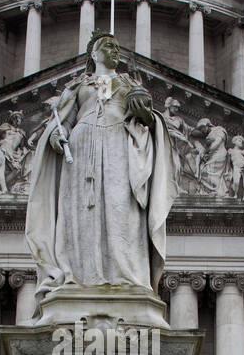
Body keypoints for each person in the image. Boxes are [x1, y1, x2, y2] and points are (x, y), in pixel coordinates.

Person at [25, 32, 176, 297]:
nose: (115, 49)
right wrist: (56, 137)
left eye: (117, 46)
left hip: (119, 147)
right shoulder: (79, 87)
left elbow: (146, 121)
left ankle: (126, 275)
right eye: (108, 45)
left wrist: (145, 114)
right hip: (82, 152)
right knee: (81, 212)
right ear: (93, 54)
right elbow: (62, 121)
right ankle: (79, 273)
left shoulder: (128, 84)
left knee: (122, 210)